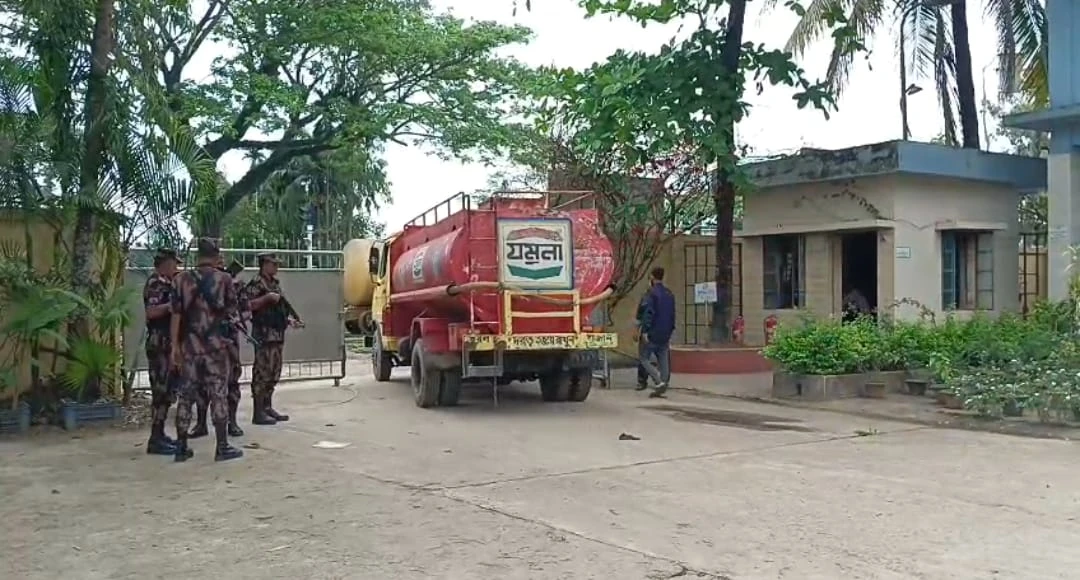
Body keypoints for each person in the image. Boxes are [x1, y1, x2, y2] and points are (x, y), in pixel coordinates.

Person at [170, 238, 243, 462]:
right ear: (216, 254)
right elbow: (233, 314)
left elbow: (176, 315)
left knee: (185, 397)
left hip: (190, 347)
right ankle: (222, 446)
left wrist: (175, 346)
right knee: (218, 394)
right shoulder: (224, 279)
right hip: (215, 347)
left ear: (198, 254)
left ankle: (181, 447)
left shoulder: (180, 279)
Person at [189, 257, 245, 438]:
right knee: (202, 384)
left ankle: (232, 422)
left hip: (229, 340)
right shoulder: (197, 281)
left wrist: (235, 319)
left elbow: (245, 310)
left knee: (232, 382)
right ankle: (201, 423)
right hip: (207, 342)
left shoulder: (233, 284)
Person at [246, 253, 303, 424]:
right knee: (261, 373)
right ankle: (258, 412)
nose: (276, 267)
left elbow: (278, 309)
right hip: (263, 335)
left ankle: (267, 407)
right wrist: (266, 298)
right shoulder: (256, 283)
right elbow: (247, 305)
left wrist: (289, 320)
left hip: (277, 334)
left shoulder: (274, 284)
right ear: (264, 265)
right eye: (273, 264)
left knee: (274, 372)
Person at [143, 248, 181, 455]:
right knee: (160, 391)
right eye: (174, 263)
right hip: (159, 344)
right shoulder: (155, 283)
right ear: (165, 263)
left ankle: (160, 434)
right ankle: (155, 438)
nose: (176, 268)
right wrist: (171, 306)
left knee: (167, 391)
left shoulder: (168, 283)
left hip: (168, 343)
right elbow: (151, 311)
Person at [634, 267, 676, 398]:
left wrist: (644, 331)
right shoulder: (669, 294)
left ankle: (658, 381)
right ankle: (664, 382)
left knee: (644, 358)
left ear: (652, 277)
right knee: (663, 358)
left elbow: (648, 313)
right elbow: (672, 315)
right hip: (666, 332)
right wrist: (670, 330)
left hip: (653, 331)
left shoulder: (651, 294)